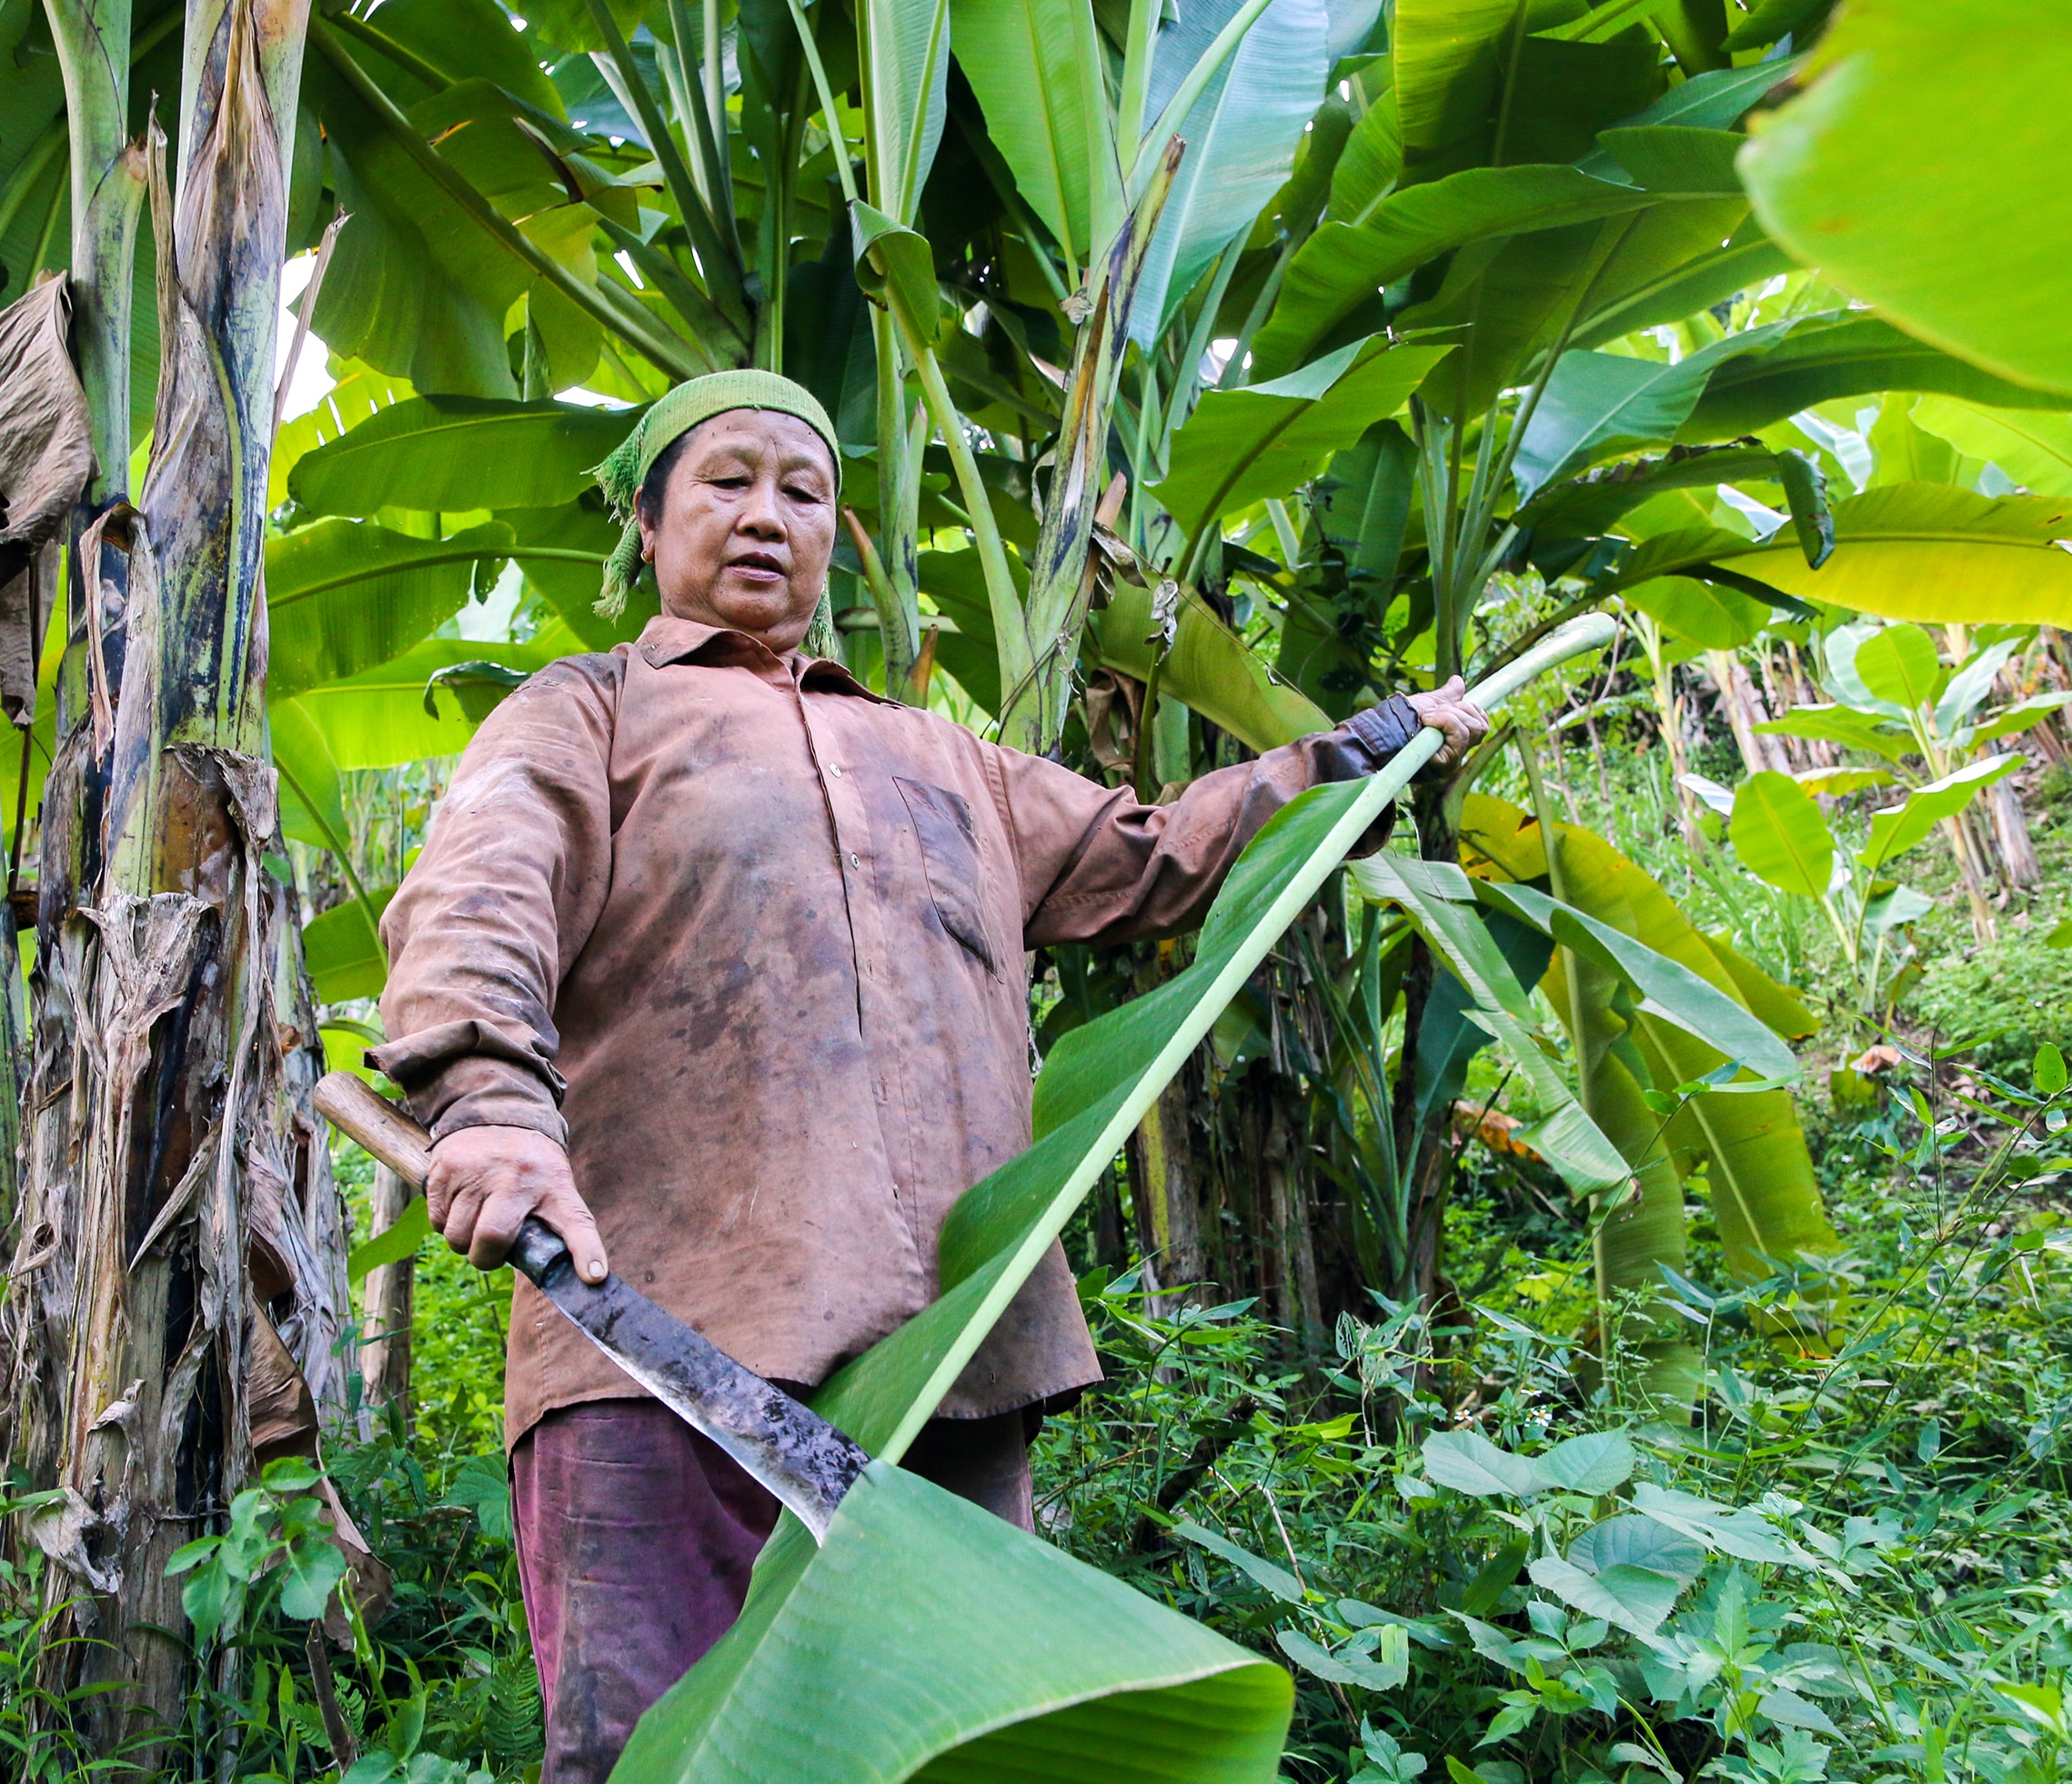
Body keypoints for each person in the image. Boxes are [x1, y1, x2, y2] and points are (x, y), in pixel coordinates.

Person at [368, 369, 1488, 1782]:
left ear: (837, 536)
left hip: (942, 1356)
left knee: (949, 1754)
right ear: (647, 527)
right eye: (726, 480)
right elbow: (475, 905)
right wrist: (489, 1113)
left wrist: (1359, 760)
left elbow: (1160, 855)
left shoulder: (944, 758)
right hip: (658, 1334)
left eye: (805, 488)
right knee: (655, 1753)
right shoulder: (583, 714)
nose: (767, 513)